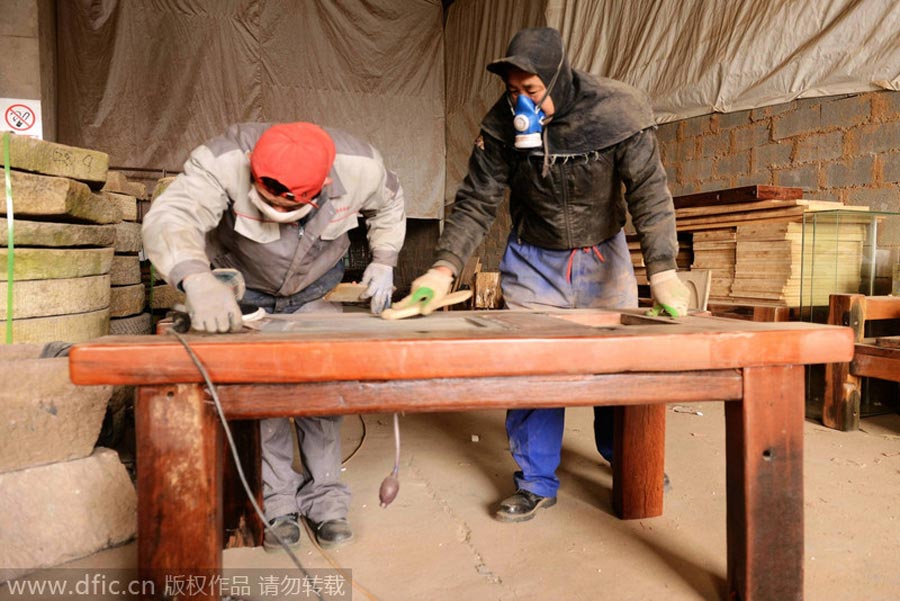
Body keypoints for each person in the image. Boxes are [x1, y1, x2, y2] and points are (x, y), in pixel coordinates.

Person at [395, 27, 689, 522]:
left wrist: (662, 272)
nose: (520, 103)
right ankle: (535, 481)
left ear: (557, 77)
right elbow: (475, 203)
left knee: (617, 370)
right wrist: (441, 271)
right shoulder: (500, 126)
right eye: (512, 92)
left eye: (530, 91)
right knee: (533, 369)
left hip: (603, 257)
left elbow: (650, 195)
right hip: (533, 256)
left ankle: (628, 457)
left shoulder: (618, 111)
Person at [143, 122, 406, 549]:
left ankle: (326, 501)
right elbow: (174, 214)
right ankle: (278, 502)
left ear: (322, 186)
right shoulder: (222, 160)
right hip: (247, 290)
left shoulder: (361, 167)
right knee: (265, 396)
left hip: (316, 285)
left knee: (320, 392)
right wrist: (196, 277)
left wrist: (385, 258)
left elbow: (391, 204)